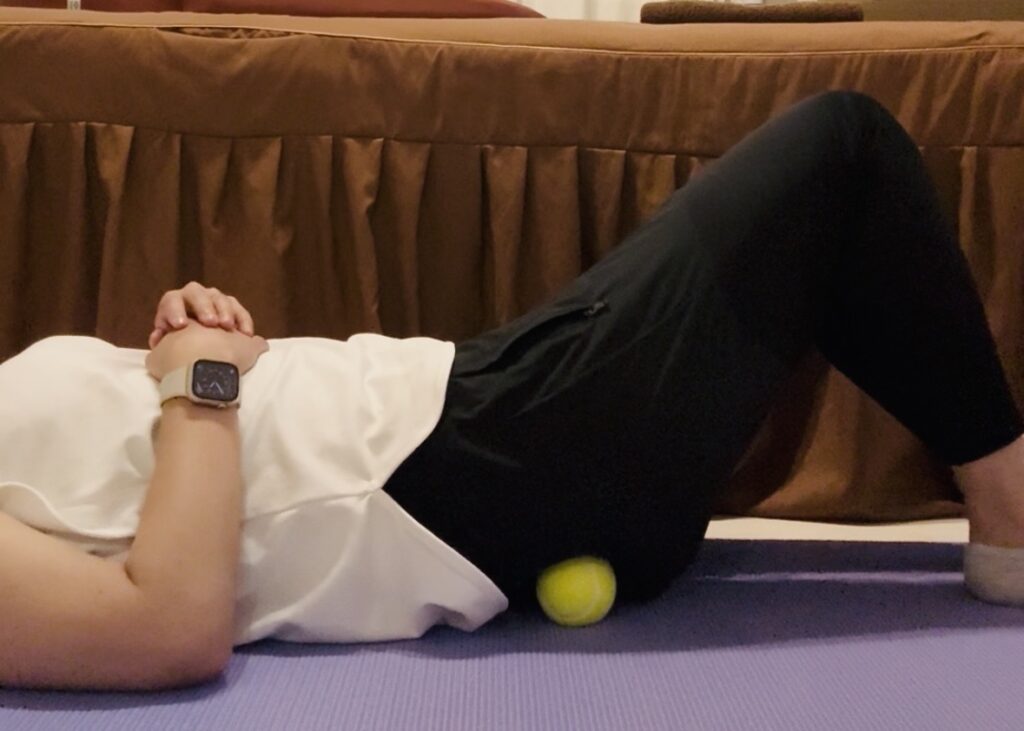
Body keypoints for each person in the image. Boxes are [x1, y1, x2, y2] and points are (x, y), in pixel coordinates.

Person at [1, 90, 1022, 693]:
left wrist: (191, 347)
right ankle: (1013, 516)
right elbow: (168, 625)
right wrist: (201, 379)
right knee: (841, 149)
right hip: (478, 474)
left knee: (818, 225)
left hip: (467, 416)